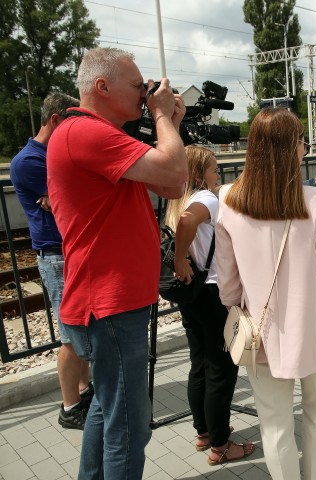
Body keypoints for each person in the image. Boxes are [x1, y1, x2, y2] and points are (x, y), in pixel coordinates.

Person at [46, 47, 188, 480]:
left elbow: (170, 183)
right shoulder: (85, 132)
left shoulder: (99, 135)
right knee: (127, 425)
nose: (146, 94)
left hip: (114, 299)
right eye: (138, 86)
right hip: (111, 302)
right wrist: (162, 117)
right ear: (102, 87)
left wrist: (171, 123)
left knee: (107, 408)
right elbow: (179, 171)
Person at [215, 107, 316, 480]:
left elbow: (228, 288)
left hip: (261, 334)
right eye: (301, 142)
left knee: (274, 426)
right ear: (290, 147)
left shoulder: (228, 198)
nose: (303, 149)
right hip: (313, 331)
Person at [164, 145, 254, 465]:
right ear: (200, 175)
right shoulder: (207, 199)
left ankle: (203, 431)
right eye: (215, 170)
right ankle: (220, 444)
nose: (219, 175)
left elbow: (183, 224)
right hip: (213, 293)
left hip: (192, 294)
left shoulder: (180, 200)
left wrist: (182, 262)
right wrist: (178, 260)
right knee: (221, 370)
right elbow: (187, 224)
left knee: (199, 364)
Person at [10, 93, 94, 430]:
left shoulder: (54, 155)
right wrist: (67, 193)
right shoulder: (28, 161)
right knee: (71, 335)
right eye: (72, 126)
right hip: (56, 255)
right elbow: (78, 192)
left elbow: (77, 192)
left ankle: (85, 392)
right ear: (56, 121)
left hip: (72, 250)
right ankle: (70, 407)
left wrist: (62, 195)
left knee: (82, 328)